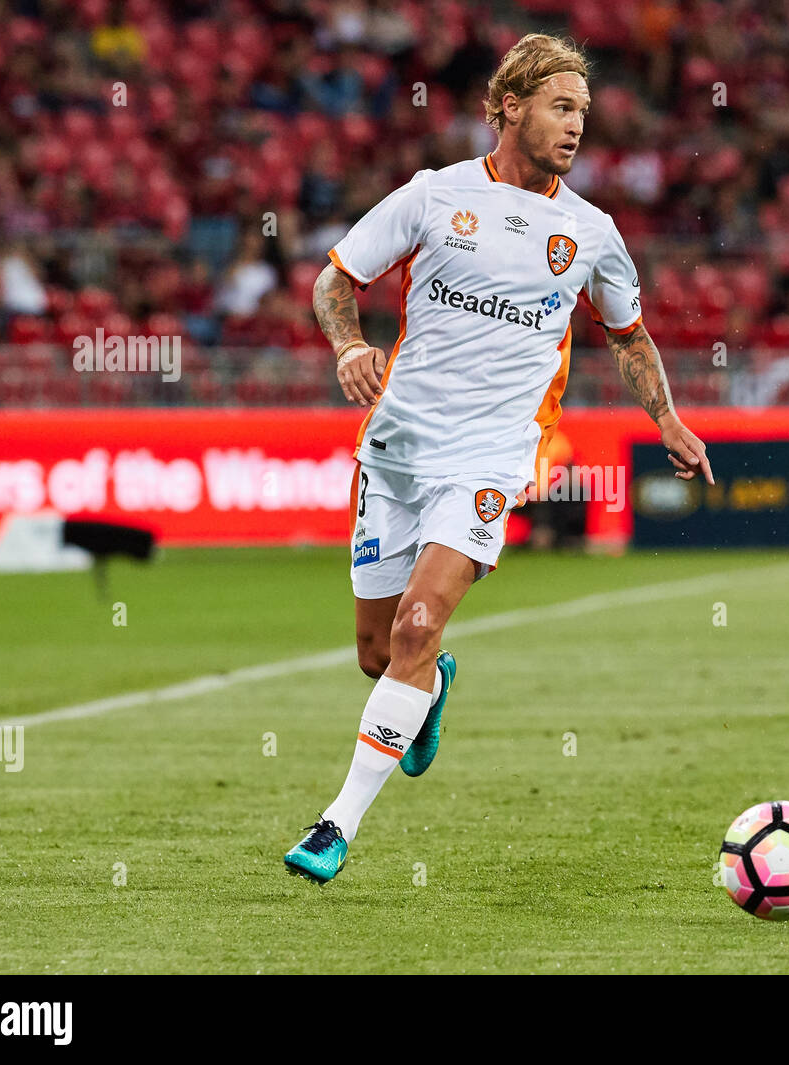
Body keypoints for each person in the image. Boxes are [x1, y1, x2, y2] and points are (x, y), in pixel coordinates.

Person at [284, 34, 713, 883]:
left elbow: (629, 337)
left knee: (416, 623)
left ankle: (336, 825)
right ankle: (430, 686)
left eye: (584, 113)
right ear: (509, 105)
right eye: (562, 107)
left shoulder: (590, 233)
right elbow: (334, 283)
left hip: (488, 458)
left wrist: (666, 416)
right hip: (397, 452)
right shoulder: (433, 197)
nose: (577, 126)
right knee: (380, 653)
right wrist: (346, 348)